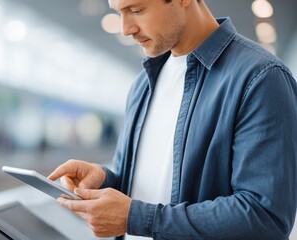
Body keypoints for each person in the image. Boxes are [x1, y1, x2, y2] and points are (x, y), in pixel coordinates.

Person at [48, 0, 297, 239]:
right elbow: (148, 189)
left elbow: (266, 217)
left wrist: (139, 219)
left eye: (136, 9)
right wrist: (105, 179)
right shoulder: (142, 86)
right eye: (118, 12)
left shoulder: (261, 79)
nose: (125, 29)